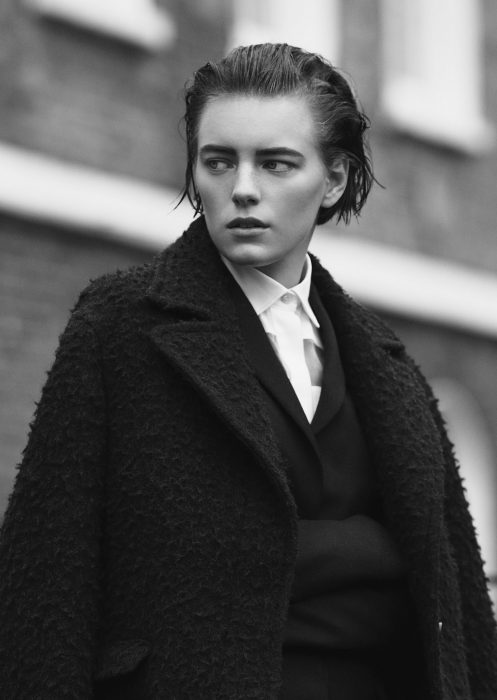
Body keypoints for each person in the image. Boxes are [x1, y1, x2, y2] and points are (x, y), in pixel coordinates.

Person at [0, 43, 496, 700]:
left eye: (275, 163)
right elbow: (44, 584)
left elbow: (453, 608)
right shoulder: (120, 326)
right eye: (218, 161)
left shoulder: (387, 362)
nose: (241, 188)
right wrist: (362, 552)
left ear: (335, 180)